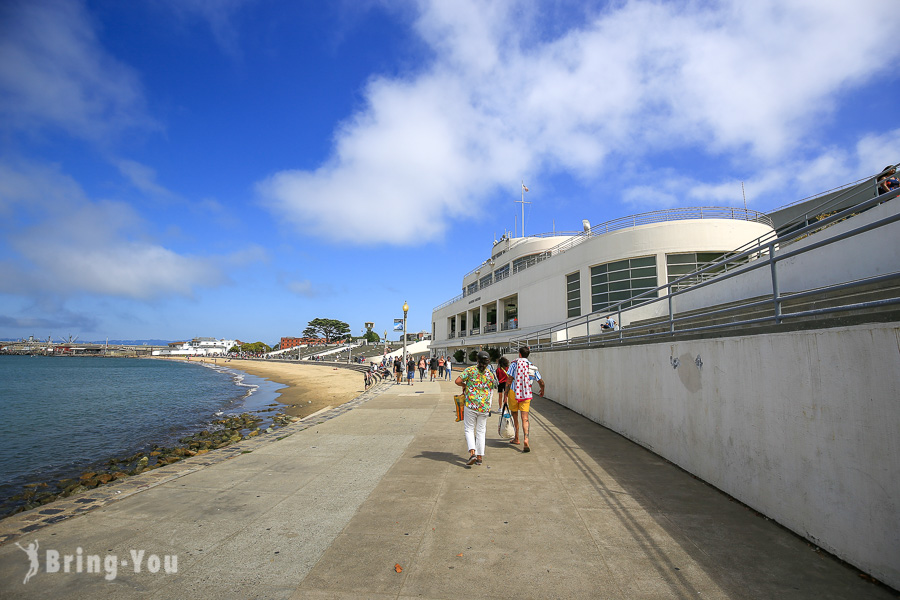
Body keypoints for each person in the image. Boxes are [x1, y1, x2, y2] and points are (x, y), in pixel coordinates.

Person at [455, 350, 497, 466]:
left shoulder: (470, 370)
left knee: (469, 429)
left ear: (477, 360)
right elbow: (491, 389)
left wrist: (464, 385)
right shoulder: (490, 374)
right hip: (484, 406)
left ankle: (472, 453)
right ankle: (479, 457)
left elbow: (457, 381)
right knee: (481, 431)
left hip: (471, 405)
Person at [506, 346, 545, 453]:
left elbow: (509, 380)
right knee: (525, 418)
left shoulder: (514, 364)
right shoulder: (532, 367)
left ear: (519, 354)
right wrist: (542, 390)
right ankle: (526, 439)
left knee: (515, 415)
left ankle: (516, 438)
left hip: (514, 392)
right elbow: (541, 381)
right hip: (526, 394)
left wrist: (505, 393)